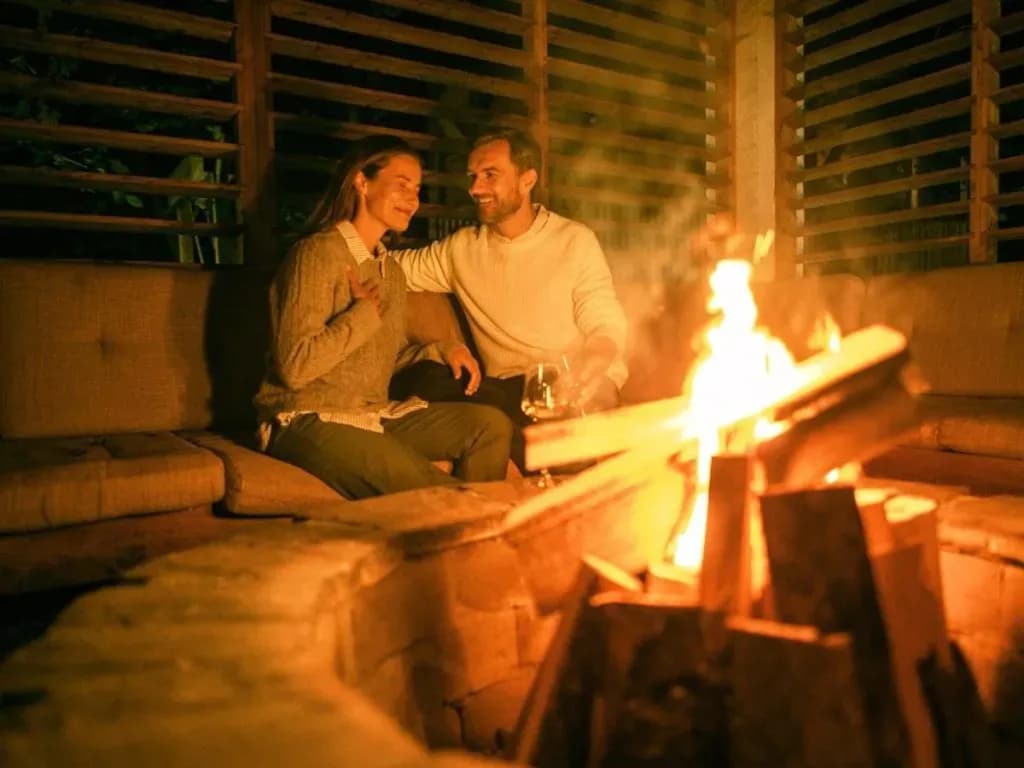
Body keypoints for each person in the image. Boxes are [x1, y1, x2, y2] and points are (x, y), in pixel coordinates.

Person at [253, 136, 513, 499]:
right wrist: (360, 315)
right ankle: (473, 529)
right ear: (362, 182)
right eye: (402, 184)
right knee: (445, 495)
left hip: (372, 413)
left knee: (491, 426)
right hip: (305, 416)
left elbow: (374, 362)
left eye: (418, 189)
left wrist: (438, 350)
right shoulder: (315, 254)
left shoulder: (391, 272)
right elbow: (294, 366)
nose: (412, 198)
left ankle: (470, 531)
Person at [390, 128, 628, 455]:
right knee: (424, 379)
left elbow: (603, 318)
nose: (475, 188)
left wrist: (595, 358)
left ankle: (544, 447)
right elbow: (390, 268)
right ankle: (523, 443)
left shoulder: (574, 240)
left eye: (490, 175)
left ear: (527, 180)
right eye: (473, 176)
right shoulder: (460, 249)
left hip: (570, 385)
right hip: (503, 393)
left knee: (582, 417)